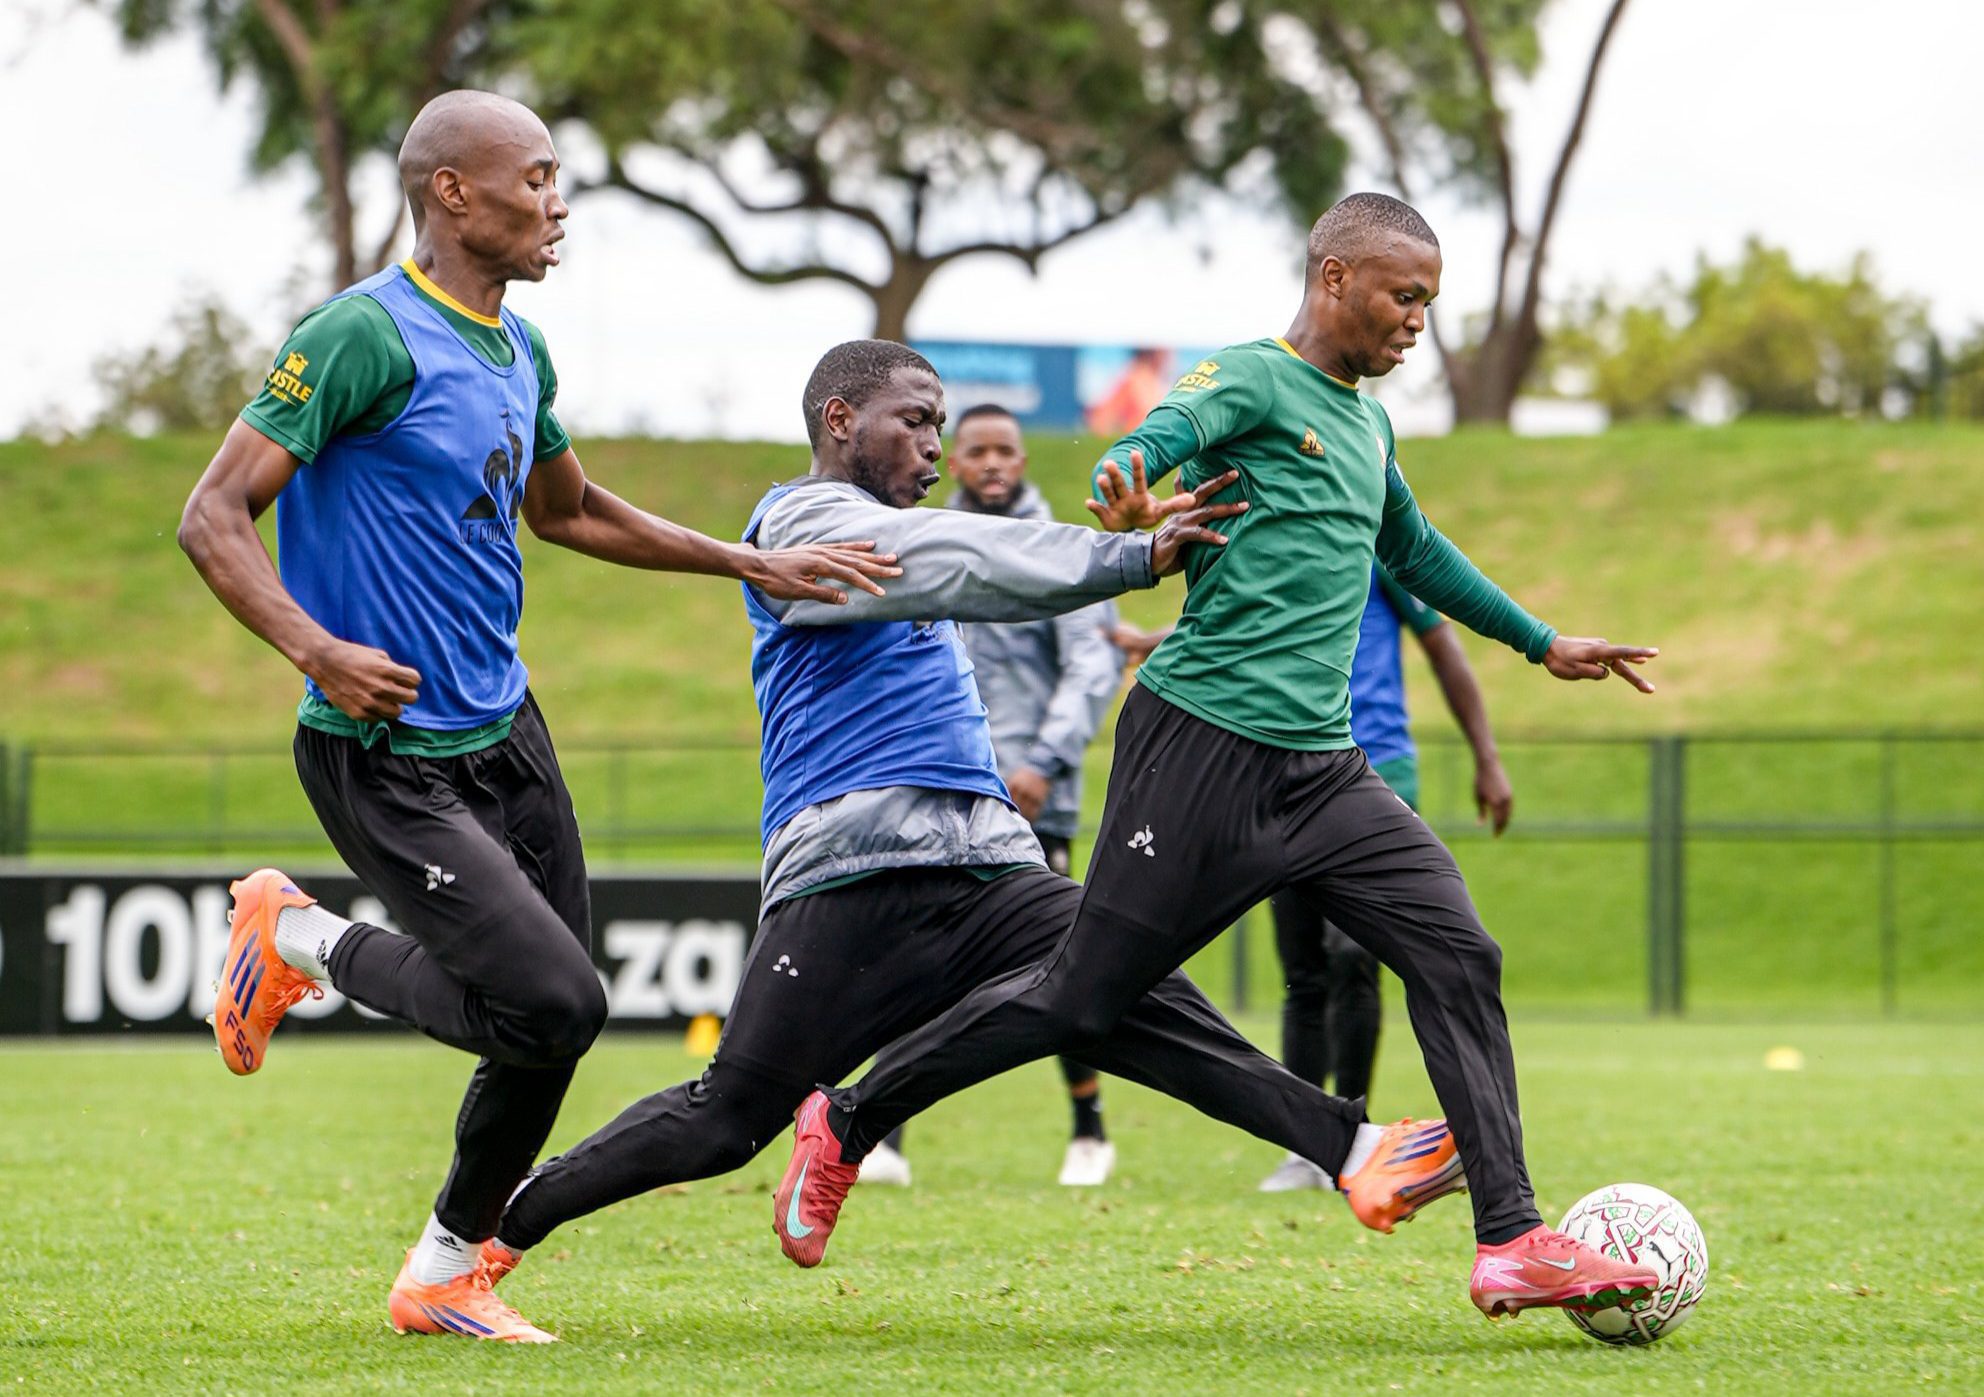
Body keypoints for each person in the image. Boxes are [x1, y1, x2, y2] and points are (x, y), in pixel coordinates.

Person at [776, 193, 1665, 1322]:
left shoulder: (1366, 425)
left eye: (1430, 305)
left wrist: (1545, 643)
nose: (1415, 324)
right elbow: (1142, 448)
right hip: (1197, 746)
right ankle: (846, 1122)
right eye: (1403, 296)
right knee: (1080, 996)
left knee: (1460, 953)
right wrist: (1126, 489)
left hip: (1324, 770)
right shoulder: (1249, 376)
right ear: (1335, 276)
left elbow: (1419, 553)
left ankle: (1509, 1236)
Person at [473, 340, 1456, 1307]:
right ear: (839, 420)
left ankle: (1352, 1147)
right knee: (724, 1121)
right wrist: (1129, 553)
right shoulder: (799, 517)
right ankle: (500, 1224)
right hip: (851, 871)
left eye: (940, 425)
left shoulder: (912, 528)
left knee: (1121, 991)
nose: (934, 446)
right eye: (914, 421)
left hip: (984, 861)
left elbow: (992, 571)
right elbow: (952, 553)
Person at [177, 91, 896, 1344]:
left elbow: (569, 511)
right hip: (380, 747)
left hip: (506, 732)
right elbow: (212, 512)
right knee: (557, 1002)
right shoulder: (362, 335)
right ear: (454, 192)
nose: (558, 204)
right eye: (539, 178)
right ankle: (290, 935)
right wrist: (316, 648)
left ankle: (444, 1272)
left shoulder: (520, 353)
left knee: (548, 1027)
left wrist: (746, 559)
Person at [860, 404, 1125, 1191]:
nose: (992, 462)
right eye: (976, 450)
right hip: (943, 787)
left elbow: (1091, 665)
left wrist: (1043, 762)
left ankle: (1089, 1128)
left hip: (1033, 798)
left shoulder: (1059, 550)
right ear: (955, 460)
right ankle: (883, 1135)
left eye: (1006, 448)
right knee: (908, 959)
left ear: (1023, 460)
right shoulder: (929, 538)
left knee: (1060, 963)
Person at [1257, 564, 1514, 1192]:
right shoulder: (1274, 538)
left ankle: (1354, 1135)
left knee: (1354, 958)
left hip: (1375, 775)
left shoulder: (1374, 542)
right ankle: (1307, 1149)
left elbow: (1442, 644)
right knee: (1303, 968)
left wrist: (1487, 757)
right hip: (1283, 772)